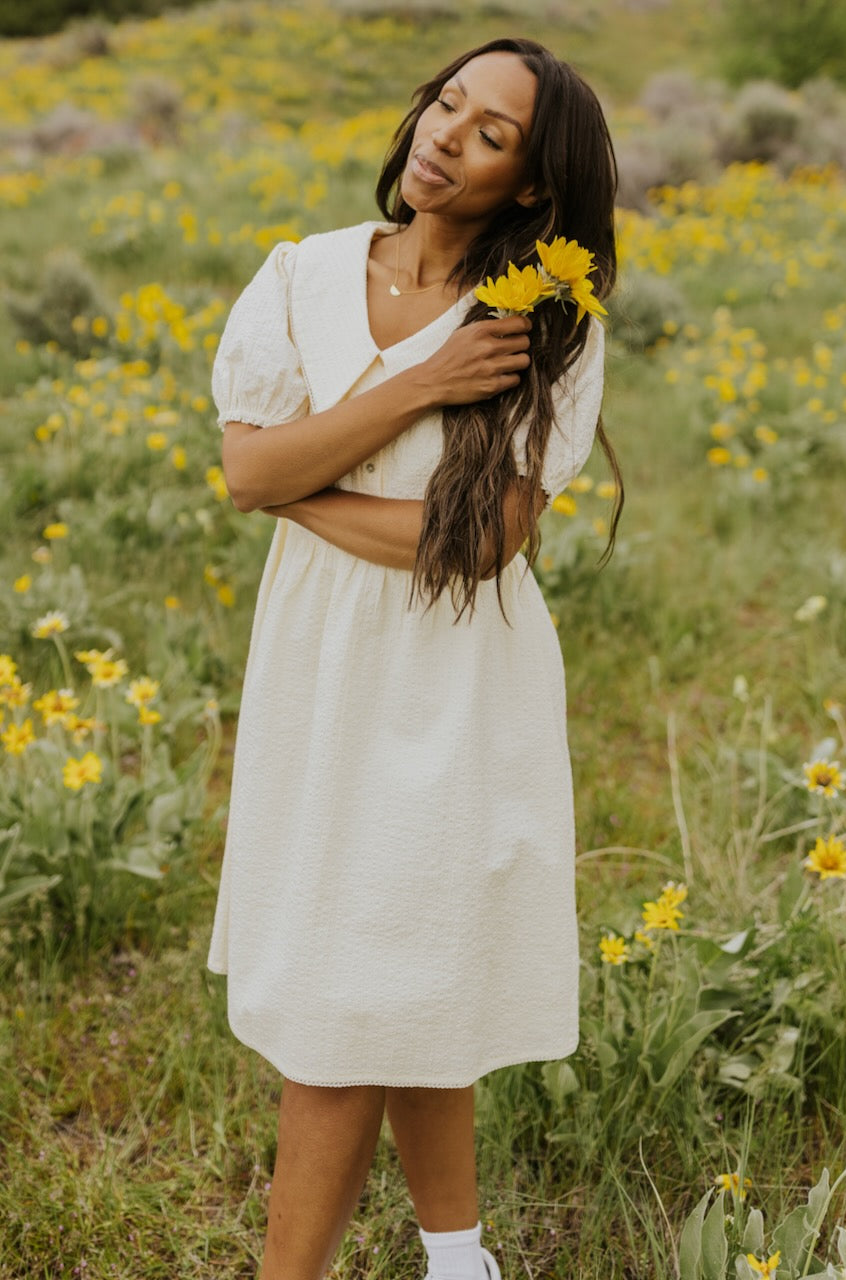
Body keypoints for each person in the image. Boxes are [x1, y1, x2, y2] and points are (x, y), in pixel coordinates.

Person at [206, 35, 619, 1280]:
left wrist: (292, 484)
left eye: (490, 132)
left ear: (532, 187)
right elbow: (245, 464)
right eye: (448, 102)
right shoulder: (300, 275)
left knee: (365, 994)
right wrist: (419, 382)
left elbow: (477, 540)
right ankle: (460, 1260)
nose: (446, 132)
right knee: (386, 977)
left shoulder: (545, 320)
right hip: (317, 673)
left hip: (451, 682)